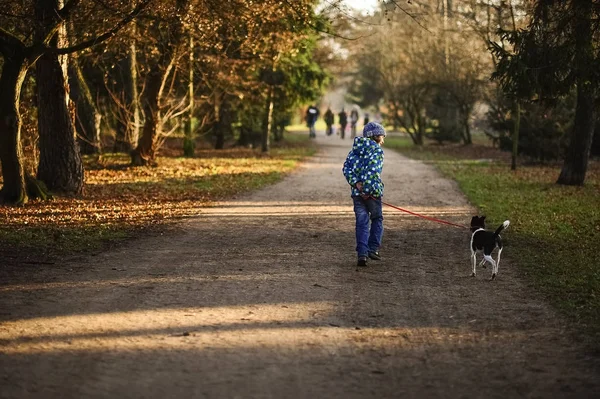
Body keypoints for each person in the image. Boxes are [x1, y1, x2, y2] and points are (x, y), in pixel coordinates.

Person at [342, 122, 386, 267]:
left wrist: (356, 184)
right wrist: (367, 189)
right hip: (372, 193)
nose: (383, 139)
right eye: (382, 135)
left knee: (361, 222)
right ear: (376, 136)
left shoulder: (354, 150)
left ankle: (362, 253)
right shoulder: (376, 151)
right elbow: (372, 172)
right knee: (377, 218)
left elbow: (346, 168)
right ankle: (373, 249)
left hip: (357, 193)